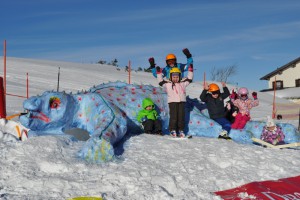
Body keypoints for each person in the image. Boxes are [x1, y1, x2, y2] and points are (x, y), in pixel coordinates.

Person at [156, 63, 193, 138]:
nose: (175, 78)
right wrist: (159, 73)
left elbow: (189, 79)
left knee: (181, 117)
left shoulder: (183, 83)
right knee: (174, 117)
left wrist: (190, 71)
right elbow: (160, 81)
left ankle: (181, 130)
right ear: (170, 76)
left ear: (180, 76)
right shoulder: (168, 84)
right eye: (174, 77)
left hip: (182, 102)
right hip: (172, 102)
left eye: (177, 77)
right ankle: (172, 130)